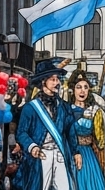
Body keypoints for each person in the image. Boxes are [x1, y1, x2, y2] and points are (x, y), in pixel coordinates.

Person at [16, 57, 75, 190]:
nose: (57, 83)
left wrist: (75, 151)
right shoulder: (30, 108)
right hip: (41, 156)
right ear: (44, 81)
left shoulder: (64, 106)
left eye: (58, 79)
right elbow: (21, 133)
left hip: (60, 155)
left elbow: (70, 130)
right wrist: (32, 147)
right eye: (53, 79)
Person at [67, 65, 105, 190]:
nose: (82, 91)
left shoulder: (94, 111)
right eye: (78, 87)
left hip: (88, 155)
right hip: (70, 153)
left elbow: (100, 139)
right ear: (73, 89)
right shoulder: (66, 110)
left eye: (85, 87)